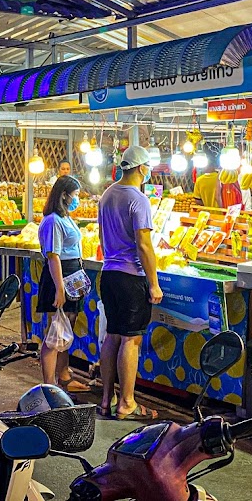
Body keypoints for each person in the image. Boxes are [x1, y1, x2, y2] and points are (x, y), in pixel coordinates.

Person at [97, 145, 163, 421]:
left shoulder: (107, 194)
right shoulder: (138, 199)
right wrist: (154, 282)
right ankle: (127, 402)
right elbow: (144, 245)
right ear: (141, 168)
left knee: (112, 335)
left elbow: (102, 236)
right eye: (149, 167)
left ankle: (105, 399)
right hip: (130, 277)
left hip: (109, 274)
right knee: (131, 340)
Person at [37, 175, 90, 392]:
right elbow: (53, 256)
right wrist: (59, 288)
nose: (77, 199)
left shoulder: (66, 217)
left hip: (72, 275)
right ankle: (49, 385)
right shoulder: (52, 221)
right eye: (75, 195)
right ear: (64, 195)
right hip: (59, 277)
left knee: (65, 329)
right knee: (54, 333)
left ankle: (64, 376)